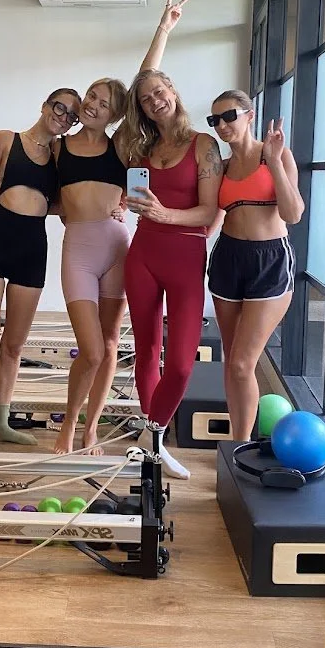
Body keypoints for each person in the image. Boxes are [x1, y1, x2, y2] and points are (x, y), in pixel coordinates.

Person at [52, 0, 188, 457]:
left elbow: (143, 87)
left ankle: (90, 428)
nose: (93, 104)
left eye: (103, 102)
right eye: (90, 96)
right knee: (90, 348)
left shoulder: (123, 146)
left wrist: (163, 30)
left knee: (110, 344)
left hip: (117, 248)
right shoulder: (60, 148)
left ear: (115, 114)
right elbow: (45, 194)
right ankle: (68, 426)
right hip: (78, 252)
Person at [119, 50, 223, 480]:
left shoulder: (203, 145)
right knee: (146, 353)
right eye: (146, 99)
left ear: (174, 92)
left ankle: (154, 434)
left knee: (180, 364)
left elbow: (209, 212)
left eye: (159, 92)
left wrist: (166, 216)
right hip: (142, 255)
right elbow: (130, 95)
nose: (154, 101)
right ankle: (155, 446)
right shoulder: (141, 147)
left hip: (184, 255)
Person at [0, 88, 81, 452]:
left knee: (14, 344)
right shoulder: (6, 139)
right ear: (45, 105)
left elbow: (65, 202)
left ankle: (3, 422)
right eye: (58, 107)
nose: (62, 116)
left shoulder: (61, 154)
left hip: (33, 247)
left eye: (70, 115)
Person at [206, 92, 304, 441]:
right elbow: (209, 219)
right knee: (232, 364)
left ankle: (242, 446)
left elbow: (293, 214)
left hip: (270, 260)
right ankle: (238, 444)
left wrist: (275, 162)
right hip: (228, 259)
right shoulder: (223, 165)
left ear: (250, 115)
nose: (221, 125)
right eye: (214, 120)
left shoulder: (274, 154)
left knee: (243, 363)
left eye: (228, 115)